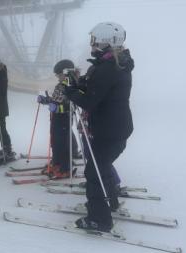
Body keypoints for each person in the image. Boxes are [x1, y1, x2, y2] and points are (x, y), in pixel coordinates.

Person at [64, 22, 134, 232]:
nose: (91, 45)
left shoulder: (110, 67)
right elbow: (95, 87)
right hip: (113, 128)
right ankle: (108, 203)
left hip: (109, 130)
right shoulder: (112, 64)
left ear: (106, 42)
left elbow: (90, 101)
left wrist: (71, 93)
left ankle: (99, 219)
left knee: (94, 172)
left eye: (94, 41)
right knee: (101, 168)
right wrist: (78, 84)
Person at [37, 59, 79, 179]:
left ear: (66, 72)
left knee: (63, 143)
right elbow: (55, 101)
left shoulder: (72, 85)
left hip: (64, 119)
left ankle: (65, 168)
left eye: (59, 74)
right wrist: (45, 100)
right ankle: (57, 163)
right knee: (55, 141)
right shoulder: (60, 85)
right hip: (56, 118)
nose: (57, 77)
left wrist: (57, 109)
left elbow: (72, 105)